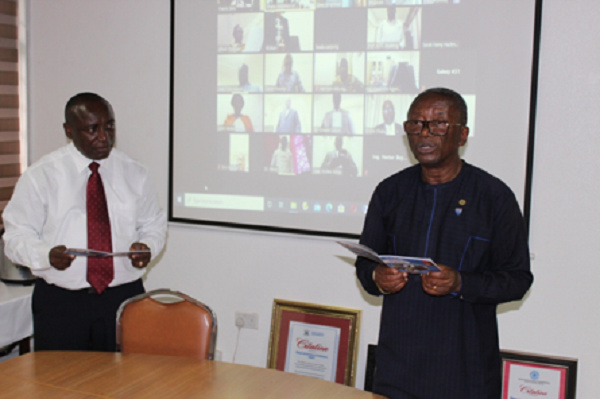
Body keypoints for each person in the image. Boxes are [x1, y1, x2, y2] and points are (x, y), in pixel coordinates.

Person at [355, 87, 533, 398]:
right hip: (397, 371)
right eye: (416, 124)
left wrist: (461, 282)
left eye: (438, 124)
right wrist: (377, 277)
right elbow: (365, 267)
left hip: (465, 374)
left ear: (462, 135)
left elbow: (517, 280)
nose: (424, 134)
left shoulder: (494, 197)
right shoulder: (390, 192)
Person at [2, 92, 167, 352]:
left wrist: (146, 246)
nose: (104, 136)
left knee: (122, 384)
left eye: (109, 126)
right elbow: (14, 237)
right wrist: (46, 255)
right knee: (61, 386)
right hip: (61, 303)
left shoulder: (135, 173)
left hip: (122, 298)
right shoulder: (41, 176)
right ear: (69, 130)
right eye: (92, 129)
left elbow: (154, 224)